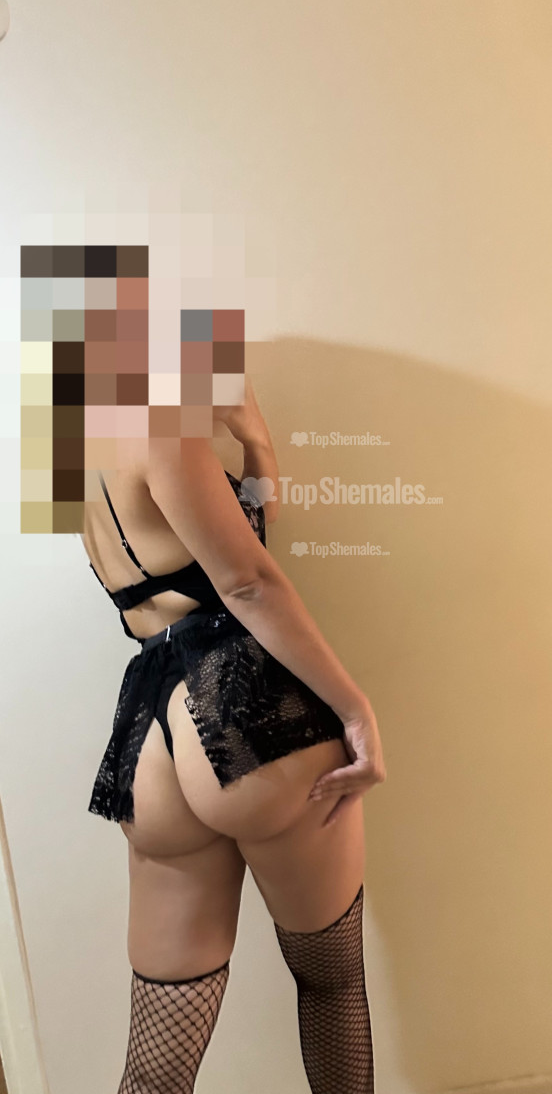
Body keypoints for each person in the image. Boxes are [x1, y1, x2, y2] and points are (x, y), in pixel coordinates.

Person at [81, 376, 387, 1094]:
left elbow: (228, 532)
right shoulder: (159, 426)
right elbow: (247, 582)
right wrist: (353, 709)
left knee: (156, 1064)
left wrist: (254, 440)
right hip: (240, 698)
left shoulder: (67, 450)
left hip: (152, 728)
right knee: (332, 984)